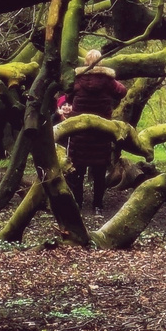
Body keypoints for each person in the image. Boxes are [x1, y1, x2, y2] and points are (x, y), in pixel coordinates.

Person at [65, 48, 126, 214]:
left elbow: (67, 96)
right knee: (99, 171)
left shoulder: (77, 80)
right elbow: (122, 91)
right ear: (101, 62)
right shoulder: (108, 81)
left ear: (85, 62)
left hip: (80, 131)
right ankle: (97, 205)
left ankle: (78, 203)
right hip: (101, 132)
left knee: (77, 169)